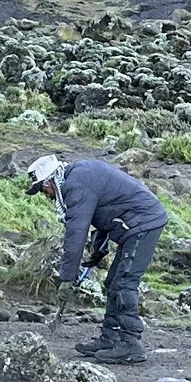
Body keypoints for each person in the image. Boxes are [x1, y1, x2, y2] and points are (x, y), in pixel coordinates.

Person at [28, 154, 168, 365]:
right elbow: (107, 209)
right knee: (113, 283)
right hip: (133, 224)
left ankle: (130, 343)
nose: (45, 195)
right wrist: (98, 250)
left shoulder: (76, 186)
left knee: (124, 283)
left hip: (144, 223)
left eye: (42, 189)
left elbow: (76, 233)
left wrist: (67, 278)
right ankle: (110, 338)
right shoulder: (80, 175)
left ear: (50, 181)